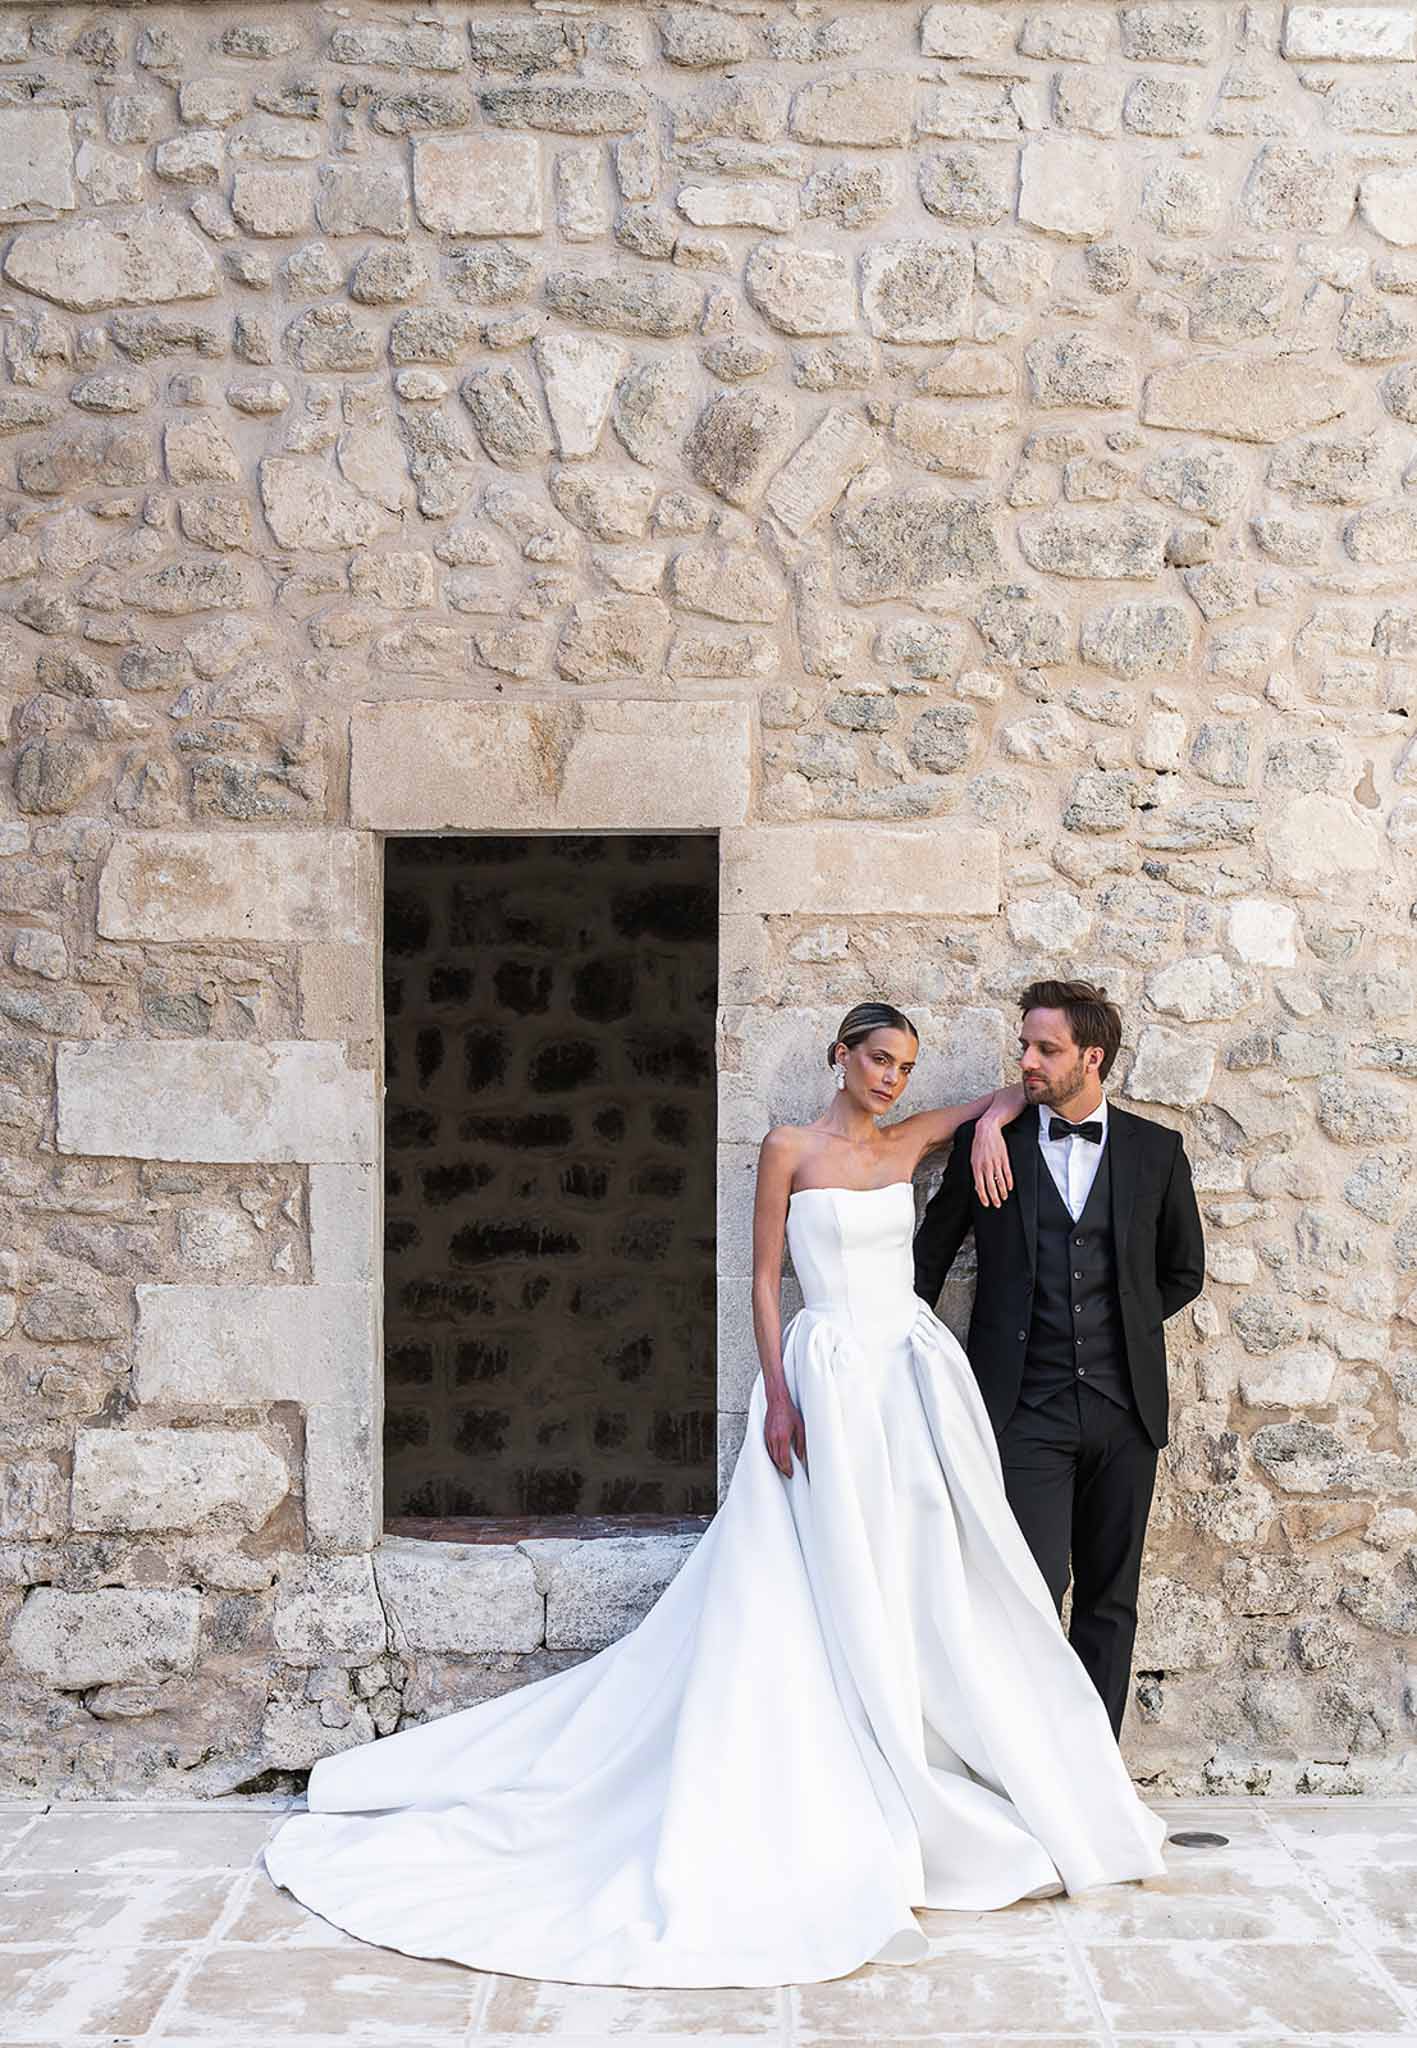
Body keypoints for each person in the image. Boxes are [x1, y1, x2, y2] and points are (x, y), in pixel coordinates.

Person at [264, 1000, 1166, 1988]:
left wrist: (990, 1122)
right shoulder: (788, 1148)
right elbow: (766, 1279)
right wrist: (778, 1393)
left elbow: (1009, 1094)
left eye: (905, 1066)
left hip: (906, 1378)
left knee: (921, 1563)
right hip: (827, 1373)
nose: (891, 1079)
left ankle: (937, 1740)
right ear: (840, 1055)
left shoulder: (912, 1137)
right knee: (824, 1564)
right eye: (877, 1059)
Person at [913, 980, 1206, 1739]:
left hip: (1124, 1411)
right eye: (1025, 1046)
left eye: (1046, 1049)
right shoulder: (992, 1146)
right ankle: (1031, 1764)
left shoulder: (1156, 1151)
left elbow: (1183, 1272)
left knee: (1110, 1599)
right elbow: (927, 1263)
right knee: (1027, 1595)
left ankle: (1093, 1770)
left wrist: (1122, 1328)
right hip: (1022, 1411)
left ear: (1091, 1057)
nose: (1027, 1061)